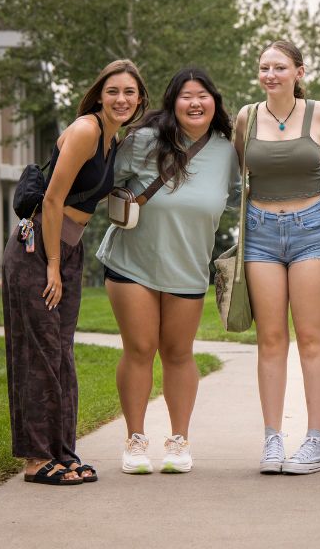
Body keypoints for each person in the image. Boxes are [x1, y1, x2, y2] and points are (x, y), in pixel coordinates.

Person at [3, 59, 148, 485]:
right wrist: (52, 264)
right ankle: (36, 460)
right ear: (99, 95)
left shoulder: (112, 138)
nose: (121, 99)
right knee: (40, 354)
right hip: (38, 249)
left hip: (68, 249)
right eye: (113, 91)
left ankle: (63, 454)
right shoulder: (87, 130)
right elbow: (52, 200)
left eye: (129, 92)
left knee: (61, 355)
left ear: (140, 99)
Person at [97, 67, 239, 474]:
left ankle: (179, 441)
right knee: (140, 349)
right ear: (172, 103)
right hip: (132, 262)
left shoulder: (227, 152)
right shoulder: (144, 140)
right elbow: (103, 181)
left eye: (202, 95)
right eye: (185, 96)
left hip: (188, 267)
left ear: (214, 102)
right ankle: (135, 441)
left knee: (178, 353)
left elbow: (242, 197)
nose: (195, 103)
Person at [234, 40, 320, 475]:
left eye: (279, 67)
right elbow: (239, 171)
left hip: (311, 231)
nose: (270, 75)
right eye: (264, 67)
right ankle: (273, 439)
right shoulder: (246, 117)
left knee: (312, 338)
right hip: (260, 233)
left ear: (299, 72)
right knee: (271, 339)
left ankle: (315, 441)